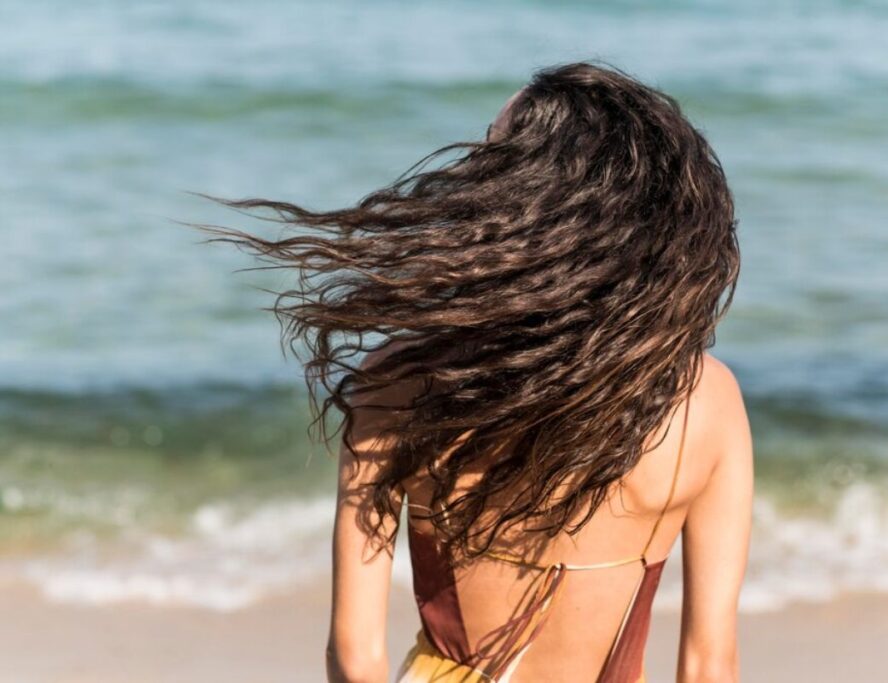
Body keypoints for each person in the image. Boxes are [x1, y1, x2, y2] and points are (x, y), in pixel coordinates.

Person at [213, 61, 752, 683]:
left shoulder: (399, 382)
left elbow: (354, 655)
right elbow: (710, 663)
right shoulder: (706, 399)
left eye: (493, 160)